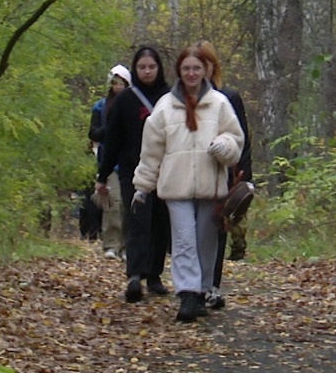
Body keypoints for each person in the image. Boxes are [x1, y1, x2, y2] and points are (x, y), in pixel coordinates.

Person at [134, 45, 245, 322]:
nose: (192, 73)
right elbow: (151, 150)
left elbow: (236, 139)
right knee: (184, 240)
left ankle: (203, 290)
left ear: (205, 70)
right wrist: (142, 186)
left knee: (205, 241)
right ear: (179, 72)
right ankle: (187, 293)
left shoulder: (219, 103)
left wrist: (224, 145)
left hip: (210, 186)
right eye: (186, 69)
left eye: (196, 68)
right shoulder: (164, 107)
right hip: (176, 186)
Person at [96, 47, 173, 302]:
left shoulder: (170, 97)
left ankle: (154, 274)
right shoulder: (125, 100)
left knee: (160, 221)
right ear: (135, 70)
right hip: (133, 168)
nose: (147, 71)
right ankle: (134, 275)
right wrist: (103, 174)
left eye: (151, 67)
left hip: (165, 169)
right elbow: (113, 139)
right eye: (142, 67)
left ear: (159, 68)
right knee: (138, 218)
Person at [195, 40, 252, 310]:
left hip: (225, 172)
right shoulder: (182, 99)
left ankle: (212, 286)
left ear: (212, 66)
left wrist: (245, 175)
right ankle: (193, 285)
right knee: (191, 231)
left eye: (204, 64)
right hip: (190, 176)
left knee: (217, 229)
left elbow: (243, 139)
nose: (199, 71)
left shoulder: (229, 97)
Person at [90, 65, 131, 259]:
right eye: (115, 83)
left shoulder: (132, 105)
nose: (118, 87)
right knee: (111, 202)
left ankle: (125, 246)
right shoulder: (100, 106)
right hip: (110, 161)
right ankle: (111, 244)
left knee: (126, 203)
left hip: (130, 161)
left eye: (122, 83)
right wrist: (110, 130)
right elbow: (93, 133)